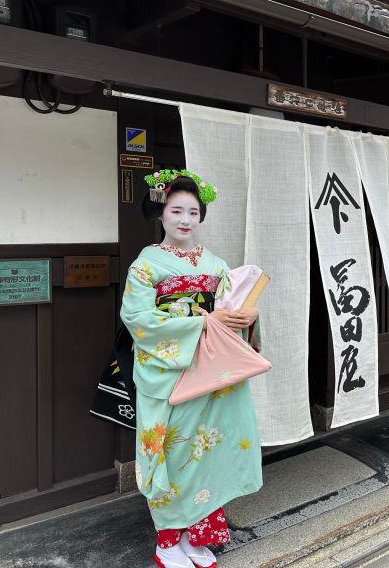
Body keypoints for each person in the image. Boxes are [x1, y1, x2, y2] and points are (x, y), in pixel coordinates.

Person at [121, 170, 262, 568]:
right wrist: (200, 322)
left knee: (209, 452)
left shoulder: (215, 264)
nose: (185, 220)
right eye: (176, 210)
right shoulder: (145, 266)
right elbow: (138, 319)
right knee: (172, 451)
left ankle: (195, 537)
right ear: (160, 213)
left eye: (193, 212)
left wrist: (246, 315)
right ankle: (168, 541)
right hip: (170, 370)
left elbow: (230, 311)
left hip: (212, 372)